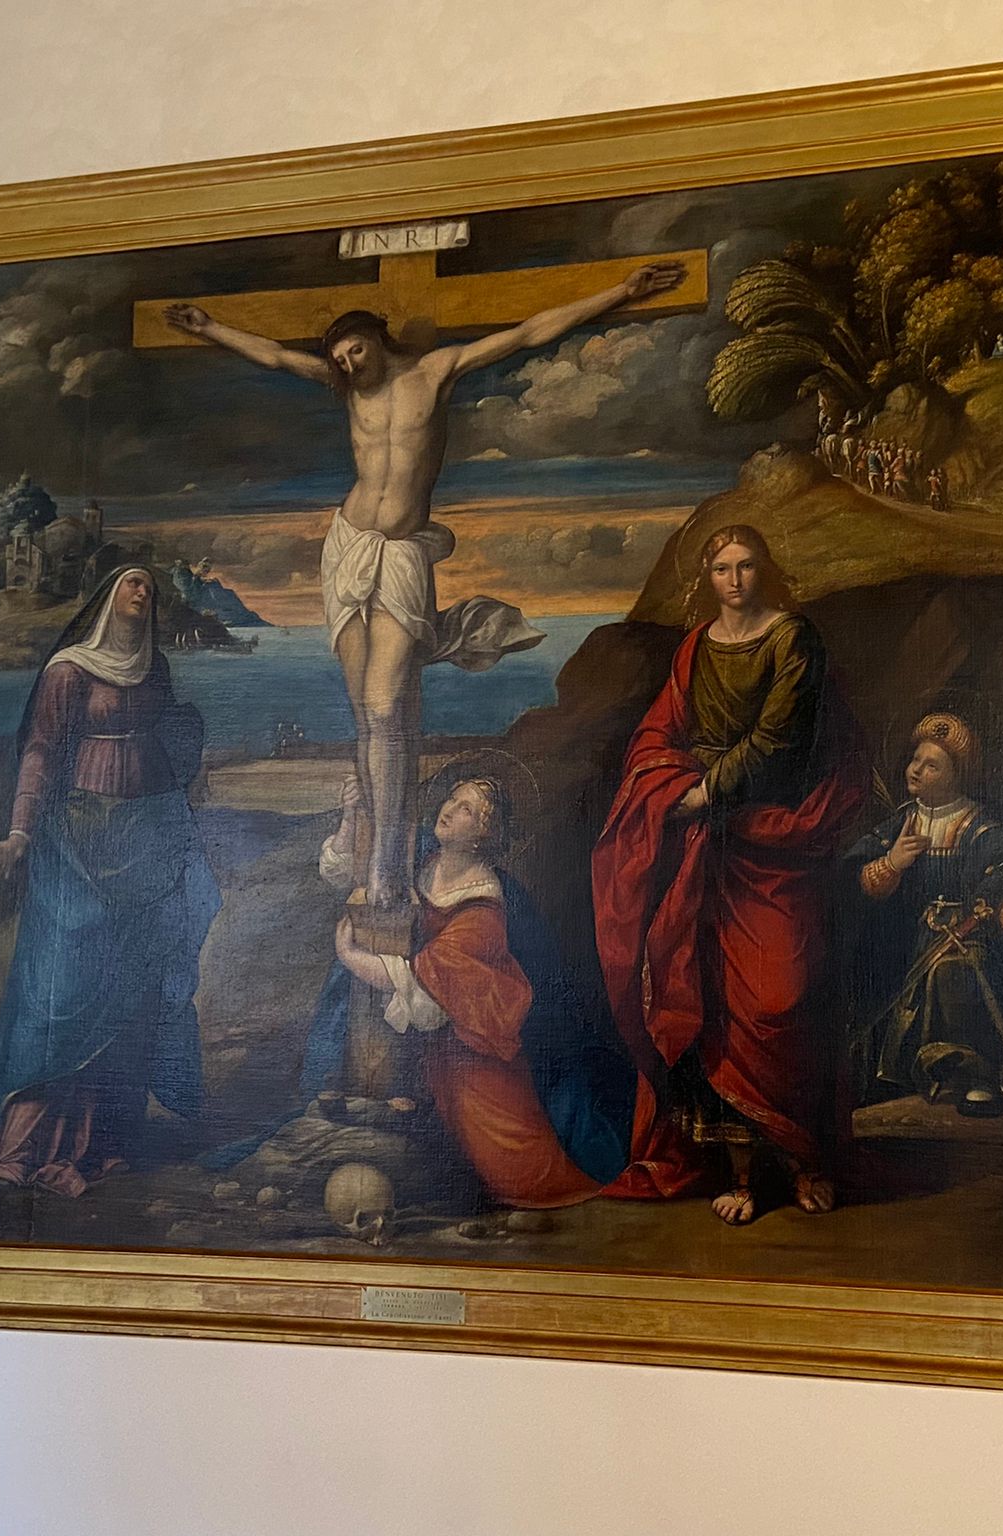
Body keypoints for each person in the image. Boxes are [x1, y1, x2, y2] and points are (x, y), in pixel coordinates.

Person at [164, 260, 685, 908]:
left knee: (387, 708)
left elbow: (528, 333)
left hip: (403, 553)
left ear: (377, 337)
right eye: (341, 360)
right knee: (367, 716)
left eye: (356, 350)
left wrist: (623, 292)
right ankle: (380, 865)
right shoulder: (348, 389)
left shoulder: (434, 372)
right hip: (347, 548)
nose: (349, 364)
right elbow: (273, 356)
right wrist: (209, 327)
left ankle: (387, 860)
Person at [591, 525, 864, 1225]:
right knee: (712, 1000)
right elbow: (658, 733)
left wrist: (704, 792)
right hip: (708, 849)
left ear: (764, 570)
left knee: (781, 999)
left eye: (746, 566)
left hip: (776, 836)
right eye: (721, 568)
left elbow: (778, 738)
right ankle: (741, 1174)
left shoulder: (792, 639)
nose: (735, 580)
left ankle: (806, 1159)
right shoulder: (695, 648)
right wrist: (665, 785)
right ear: (707, 577)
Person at [0, 565, 221, 1195]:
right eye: (132, 583)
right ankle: (20, 1150)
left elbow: (170, 740)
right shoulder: (69, 671)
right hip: (78, 841)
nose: (143, 593)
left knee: (131, 996)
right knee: (62, 994)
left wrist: (182, 804)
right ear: (108, 596)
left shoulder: (155, 670)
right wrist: (20, 831)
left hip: (146, 841)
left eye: (149, 588)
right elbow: (41, 749)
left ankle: (101, 1143)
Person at [329, 774, 625, 1208]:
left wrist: (350, 956)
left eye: (465, 809)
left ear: (483, 835)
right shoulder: (423, 860)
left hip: (476, 1054)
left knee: (518, 1173)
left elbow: (422, 978)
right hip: (430, 1045)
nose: (448, 810)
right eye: (451, 799)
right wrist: (350, 816)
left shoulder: (484, 911)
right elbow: (349, 868)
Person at [837, 713, 1003, 1116]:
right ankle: (897, 1075)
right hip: (910, 939)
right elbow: (858, 879)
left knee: (954, 970)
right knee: (874, 969)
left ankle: (976, 1074)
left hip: (969, 937)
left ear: (957, 776)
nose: (916, 770)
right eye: (916, 760)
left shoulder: (980, 829)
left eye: (932, 766)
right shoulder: (901, 822)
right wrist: (892, 863)